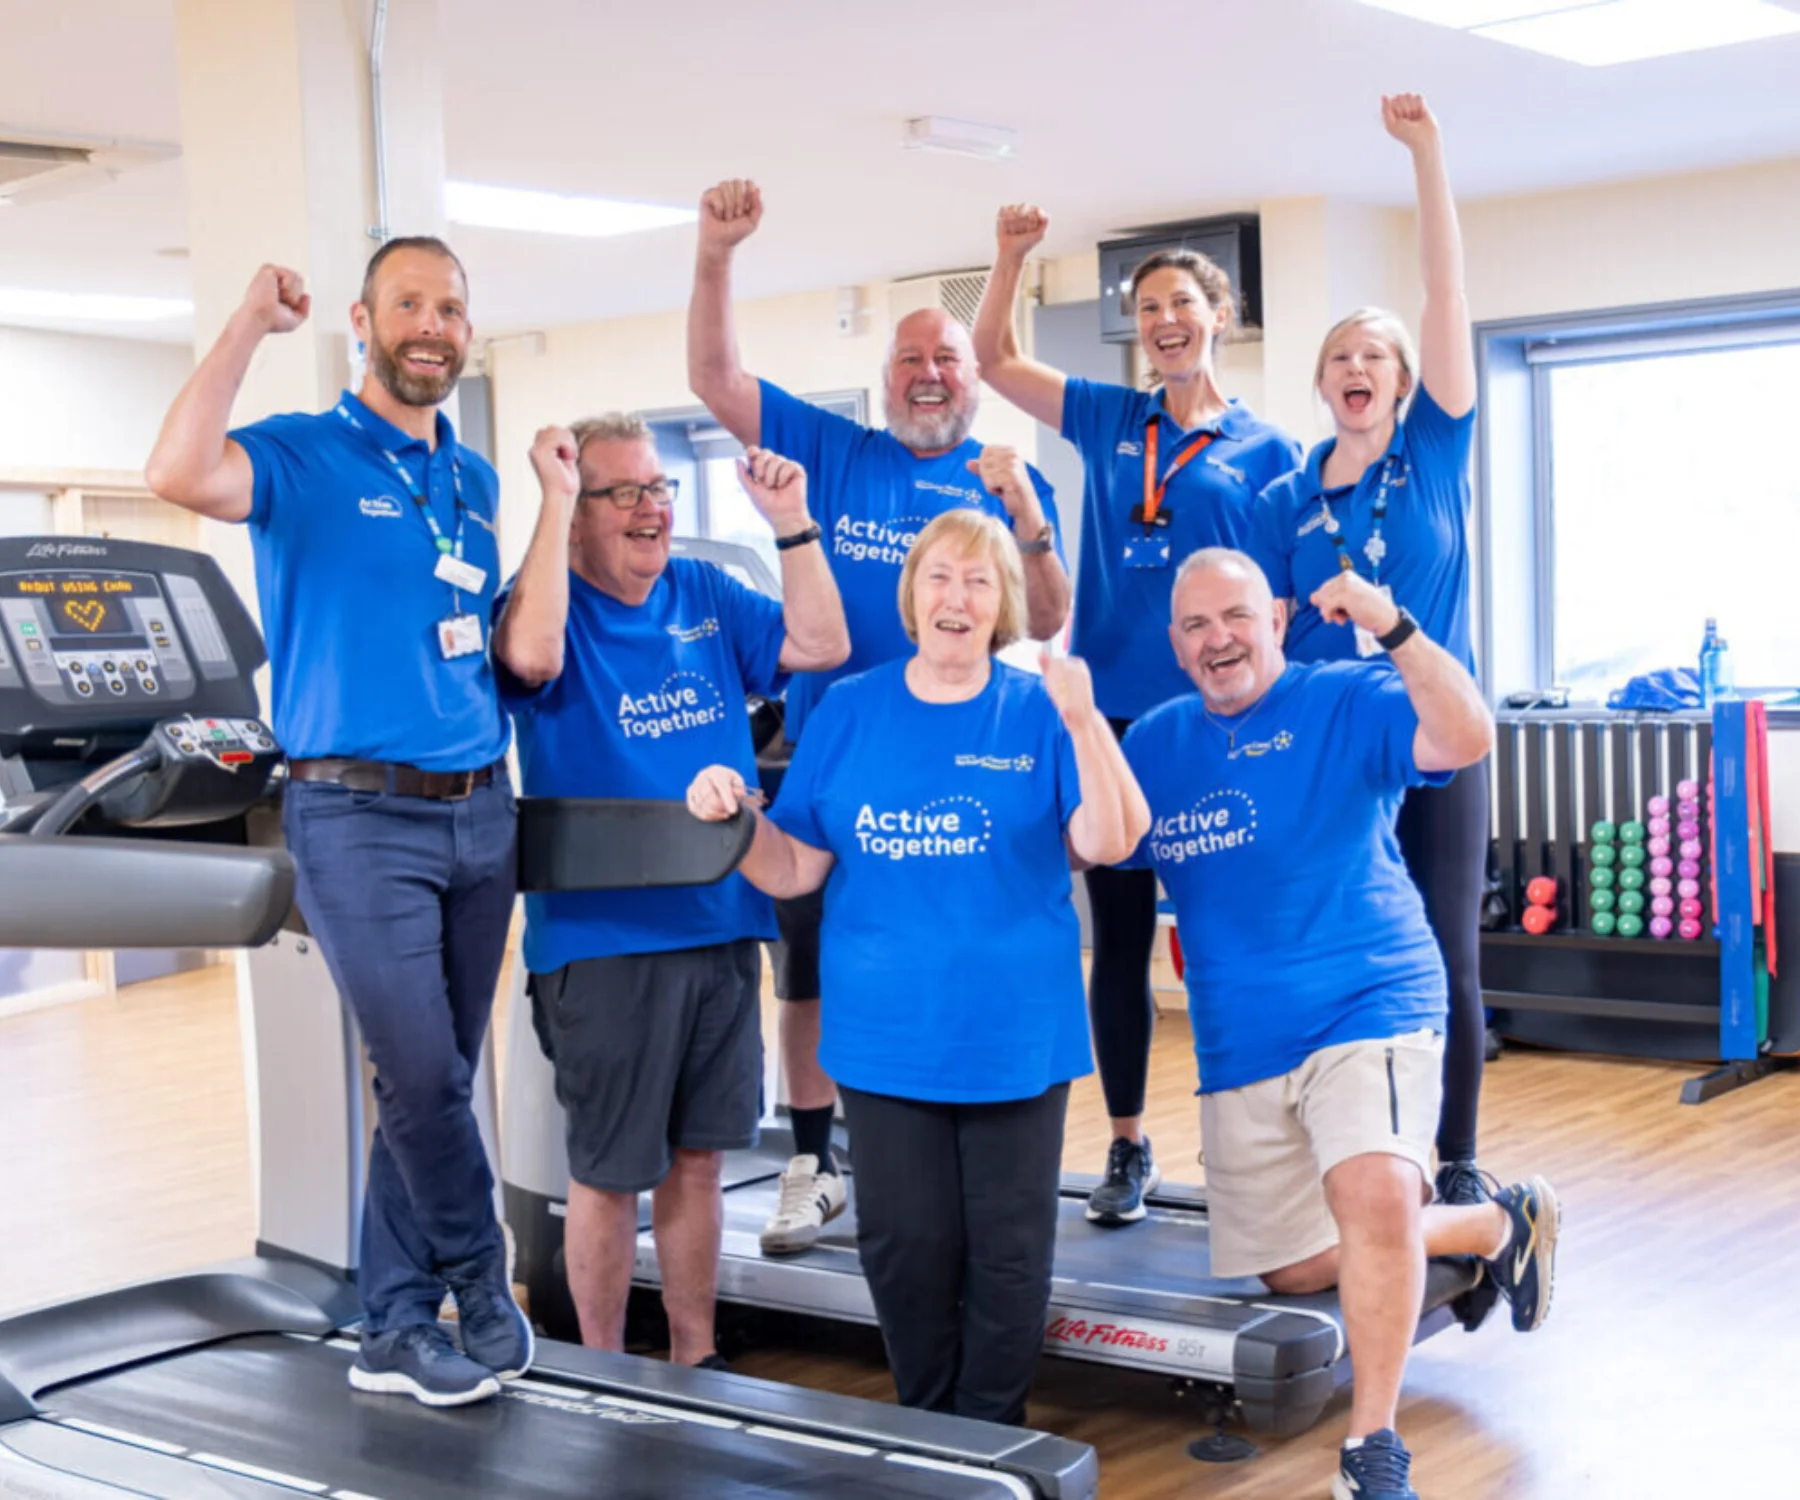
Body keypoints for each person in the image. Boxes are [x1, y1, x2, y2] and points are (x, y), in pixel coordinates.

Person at [144, 241, 528, 1406]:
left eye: (450, 308)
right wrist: (248, 323)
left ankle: (395, 1327)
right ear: (363, 323)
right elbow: (175, 469)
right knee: (418, 1072)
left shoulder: (473, 479)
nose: (432, 326)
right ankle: (481, 1273)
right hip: (356, 815)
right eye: (409, 304)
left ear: (467, 331)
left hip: (482, 810)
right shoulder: (304, 455)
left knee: (434, 1080)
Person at [686, 509, 1147, 1425]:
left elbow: (1107, 840)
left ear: (1002, 603)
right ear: (912, 596)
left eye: (979, 581)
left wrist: (1085, 720)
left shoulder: (1039, 711)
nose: (957, 597)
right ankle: (932, 1427)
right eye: (939, 576)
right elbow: (795, 866)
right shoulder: (850, 710)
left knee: (1009, 1255)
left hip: (1015, 1036)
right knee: (904, 1249)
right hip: (885, 1037)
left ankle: (990, 1438)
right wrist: (731, 819)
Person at [1121, 548, 1558, 1500]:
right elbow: (1084, 837)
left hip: (1371, 998)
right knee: (1291, 1268)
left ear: (1277, 620)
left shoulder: (1345, 698)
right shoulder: (1154, 743)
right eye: (1195, 626)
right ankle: (1494, 1222)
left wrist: (1392, 626)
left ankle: (1373, 1446)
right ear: (1175, 645)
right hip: (1241, 1041)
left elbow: (1467, 735)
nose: (1218, 640)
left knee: (1373, 1196)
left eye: (1236, 617)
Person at [687, 178, 1073, 1256]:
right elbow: (714, 378)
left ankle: (956, 1138)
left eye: (947, 357)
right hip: (833, 749)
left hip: (963, 755)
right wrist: (717, 253)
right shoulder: (836, 450)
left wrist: (1030, 519)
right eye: (909, 359)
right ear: (886, 378)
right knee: (807, 966)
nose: (928, 372)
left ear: (974, 380)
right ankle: (814, 1161)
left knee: (939, 950)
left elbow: (1048, 617)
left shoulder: (1001, 479)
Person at [491, 417, 846, 1366]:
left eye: (660, 489)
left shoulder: (704, 593)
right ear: (578, 512)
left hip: (721, 920)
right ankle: (606, 1371)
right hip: (604, 940)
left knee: (699, 1160)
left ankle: (695, 1358)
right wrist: (554, 499)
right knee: (610, 1174)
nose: (652, 509)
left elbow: (821, 642)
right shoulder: (546, 605)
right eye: (625, 493)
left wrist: (792, 522)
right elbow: (528, 662)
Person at [972, 205, 1301, 1226]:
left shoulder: (1269, 449)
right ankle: (1125, 1143)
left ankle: (1259, 1141)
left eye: (1183, 303)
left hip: (1221, 726)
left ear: (1220, 316)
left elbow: (1282, 601)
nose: (1165, 320)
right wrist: (1011, 257)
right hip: (1113, 727)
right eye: (1149, 307)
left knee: (1230, 935)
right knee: (1117, 941)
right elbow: (994, 359)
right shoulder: (1112, 419)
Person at [1247, 95, 1491, 1211]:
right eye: (1340, 355)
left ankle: (1456, 1158)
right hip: (1334, 751)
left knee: (1445, 949)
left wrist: (1425, 155)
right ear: (1322, 382)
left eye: (1377, 356)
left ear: (1403, 382)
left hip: (1433, 735)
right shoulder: (1285, 498)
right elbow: (1264, 631)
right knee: (1333, 942)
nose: (1359, 365)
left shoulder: (1433, 449)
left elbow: (1446, 294)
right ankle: (1340, 1160)